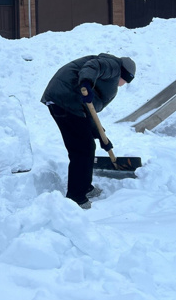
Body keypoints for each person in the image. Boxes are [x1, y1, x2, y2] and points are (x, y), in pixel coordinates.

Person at [41, 54, 136, 210]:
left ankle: (84, 188)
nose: (123, 84)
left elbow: (88, 109)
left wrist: (100, 135)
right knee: (82, 149)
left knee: (85, 146)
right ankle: (76, 197)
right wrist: (86, 81)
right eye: (125, 81)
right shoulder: (112, 66)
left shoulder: (105, 78)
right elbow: (93, 66)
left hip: (67, 101)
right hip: (66, 99)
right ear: (123, 74)